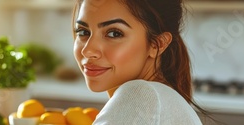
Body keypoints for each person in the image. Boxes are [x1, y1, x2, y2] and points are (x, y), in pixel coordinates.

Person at [72, 0, 211, 124]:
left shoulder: (140, 95)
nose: (88, 50)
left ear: (157, 44)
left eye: (114, 33)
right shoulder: (159, 98)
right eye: (83, 32)